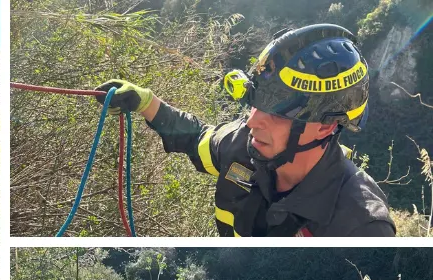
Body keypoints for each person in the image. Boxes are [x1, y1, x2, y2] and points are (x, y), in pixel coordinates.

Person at [95, 24, 394, 236]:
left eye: (275, 114)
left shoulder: (360, 222)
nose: (252, 122)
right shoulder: (243, 145)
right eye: (253, 104)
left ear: (325, 125)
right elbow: (196, 137)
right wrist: (146, 102)